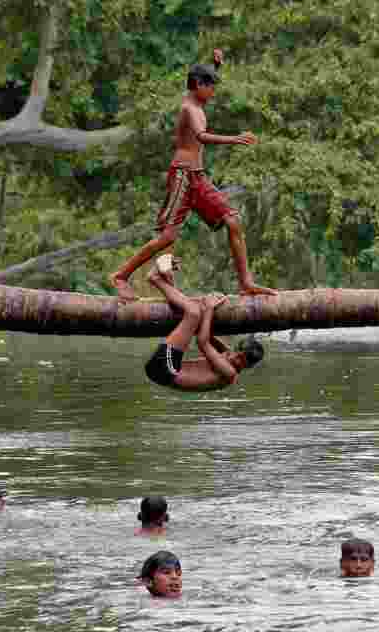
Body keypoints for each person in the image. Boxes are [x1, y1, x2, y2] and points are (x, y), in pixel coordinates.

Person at [108, 48, 276, 303]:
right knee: (167, 237)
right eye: (210, 87)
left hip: (197, 177)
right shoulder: (190, 108)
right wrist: (235, 138)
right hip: (183, 176)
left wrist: (214, 66)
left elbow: (198, 80)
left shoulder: (196, 97)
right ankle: (120, 276)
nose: (213, 92)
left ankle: (246, 283)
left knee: (232, 221)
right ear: (198, 85)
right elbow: (201, 136)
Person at [144, 255, 264, 392]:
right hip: (167, 367)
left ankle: (155, 278)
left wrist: (209, 308)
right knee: (193, 314)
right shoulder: (229, 355)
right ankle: (167, 277)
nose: (232, 355)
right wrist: (209, 309)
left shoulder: (229, 373)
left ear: (246, 364)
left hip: (164, 370)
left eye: (239, 357)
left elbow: (202, 342)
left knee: (193, 312)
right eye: (236, 352)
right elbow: (207, 336)